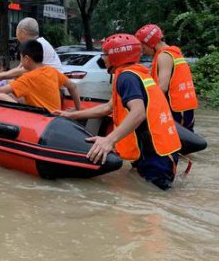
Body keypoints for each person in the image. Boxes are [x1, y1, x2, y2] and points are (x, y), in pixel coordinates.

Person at [55, 34, 182, 190]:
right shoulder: (136, 74)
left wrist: (109, 140)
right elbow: (108, 108)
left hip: (157, 157)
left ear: (116, 56)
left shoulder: (126, 78)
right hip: (159, 151)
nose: (103, 58)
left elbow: (138, 112)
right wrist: (72, 114)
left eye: (105, 54)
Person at [135, 24, 198, 131]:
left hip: (177, 110)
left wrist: (146, 106)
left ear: (151, 43)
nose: (143, 51)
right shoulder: (174, 52)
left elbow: (162, 87)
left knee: (177, 142)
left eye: (143, 47)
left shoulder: (164, 56)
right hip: (185, 107)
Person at [0, 40, 81, 112]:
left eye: (20, 58)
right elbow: (73, 86)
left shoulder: (28, 78)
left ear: (26, 59)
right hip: (55, 117)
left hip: (41, 118)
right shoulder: (52, 70)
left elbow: (0, 91)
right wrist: (77, 109)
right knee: (15, 95)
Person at [0, 17, 62, 82]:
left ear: (23, 32)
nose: (16, 35)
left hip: (46, 84)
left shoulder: (36, 45)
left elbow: (26, 70)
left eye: (16, 30)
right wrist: (3, 77)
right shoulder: (40, 43)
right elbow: (20, 69)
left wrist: (1, 75)